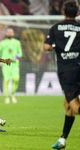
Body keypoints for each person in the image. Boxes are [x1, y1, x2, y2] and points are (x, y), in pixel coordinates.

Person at [44, 1, 80, 149]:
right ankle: (63, 139)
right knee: (68, 106)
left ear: (63, 12)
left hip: (67, 70)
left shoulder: (56, 28)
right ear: (77, 13)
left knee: (74, 106)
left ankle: (63, 139)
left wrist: (55, 46)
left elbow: (46, 47)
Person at [0, 27, 22, 104]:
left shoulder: (17, 42)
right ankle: (7, 97)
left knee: (16, 79)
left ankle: (12, 94)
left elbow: (20, 53)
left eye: (11, 32)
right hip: (5, 65)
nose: (9, 33)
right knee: (6, 80)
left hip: (14, 65)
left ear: (13, 33)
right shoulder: (2, 43)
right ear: (6, 33)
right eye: (8, 32)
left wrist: (16, 56)